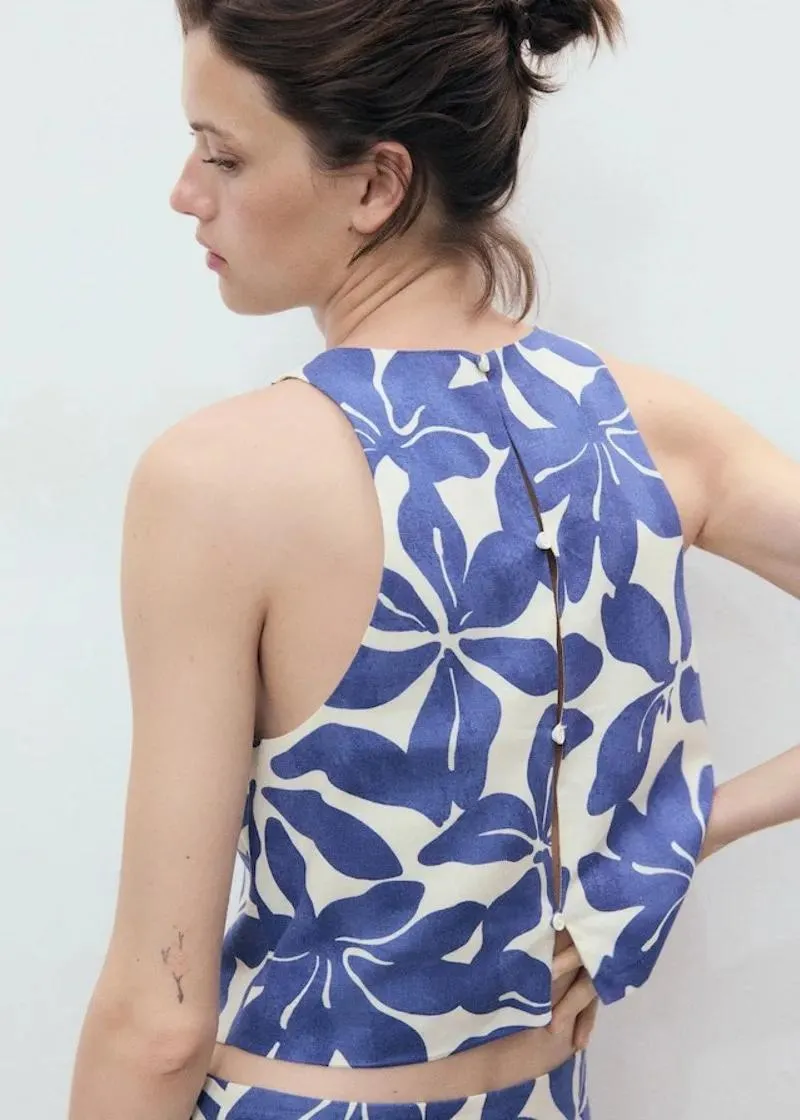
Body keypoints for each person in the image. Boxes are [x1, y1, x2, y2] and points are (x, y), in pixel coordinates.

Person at [67, 1, 800, 1118]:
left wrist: (679, 831)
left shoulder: (219, 481)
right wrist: (670, 838)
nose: (184, 191)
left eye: (222, 154)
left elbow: (156, 1020)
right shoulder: (653, 432)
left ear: (376, 183)